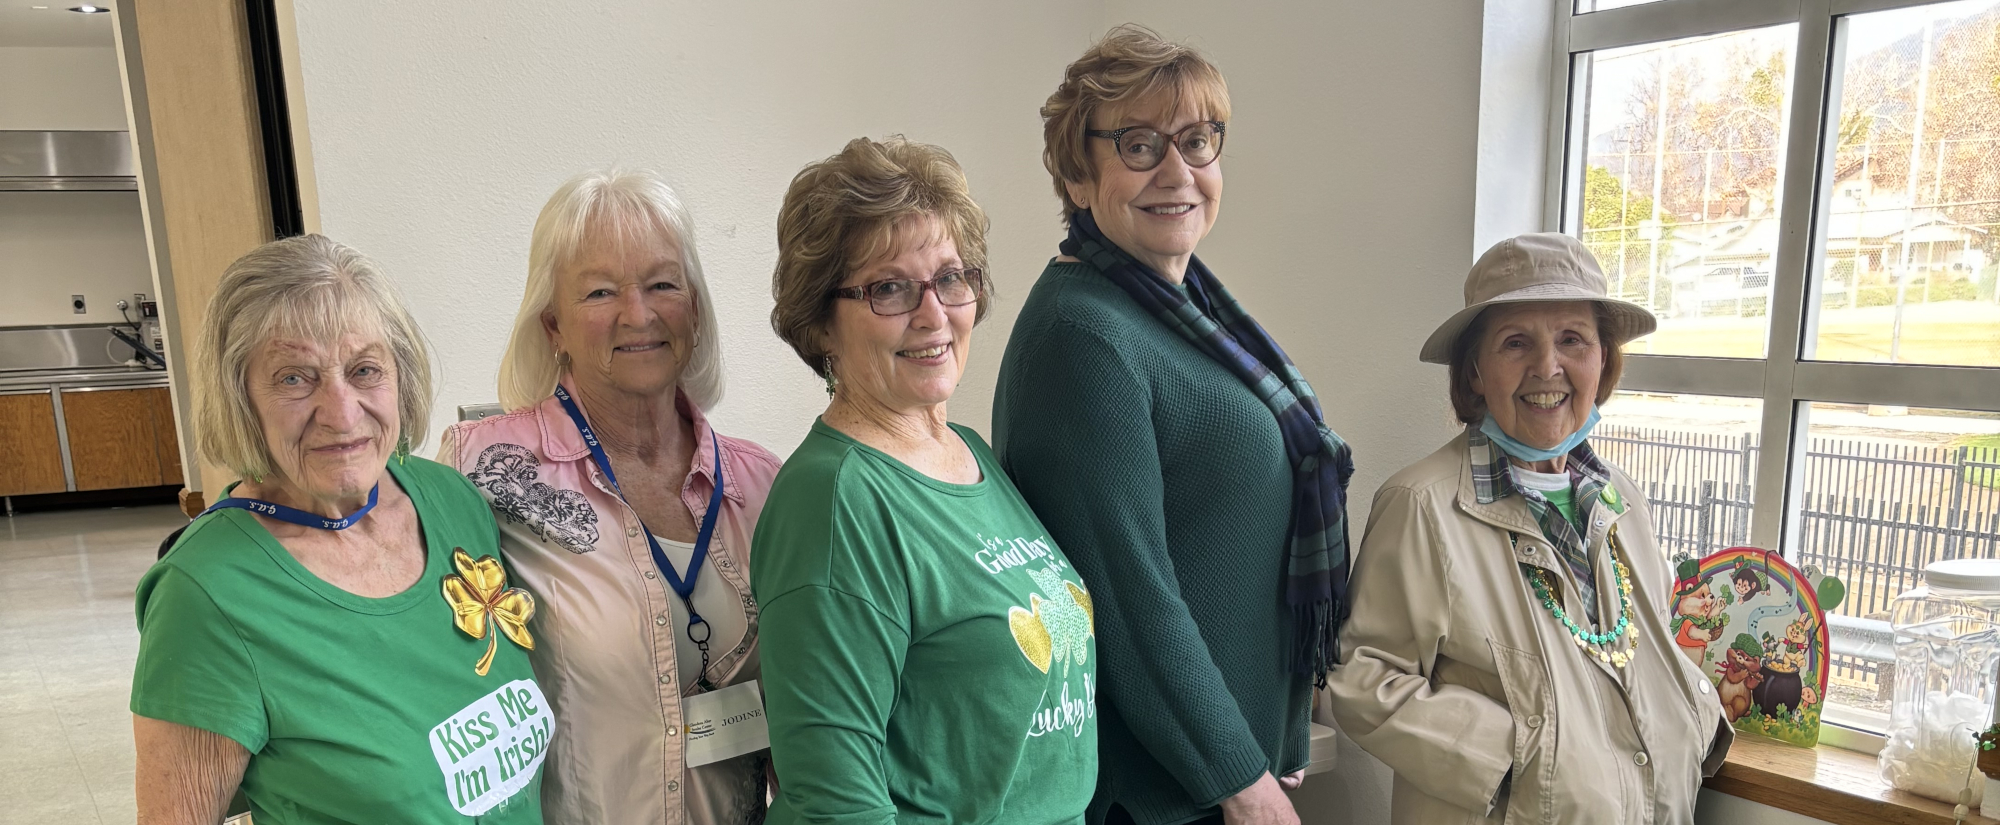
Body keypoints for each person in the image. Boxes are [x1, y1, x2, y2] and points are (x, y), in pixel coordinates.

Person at [992, 25, 1352, 825]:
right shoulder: (1086, 335)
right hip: (1156, 797)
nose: (1178, 171)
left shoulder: (1186, 309)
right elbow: (1129, 601)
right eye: (1140, 144)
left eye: (1197, 140)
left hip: (1214, 774)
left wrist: (1268, 740)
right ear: (1078, 175)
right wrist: (1240, 777)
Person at [132, 234, 549, 824]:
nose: (342, 412)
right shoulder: (205, 596)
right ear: (241, 399)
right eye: (294, 379)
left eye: (365, 370)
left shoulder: (449, 498)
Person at [1324, 233, 1732, 824]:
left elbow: (1634, 651)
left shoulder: (1623, 501)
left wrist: (1691, 717)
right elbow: (1363, 678)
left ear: (1603, 360)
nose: (1548, 367)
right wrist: (1516, 758)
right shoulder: (1423, 504)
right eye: (1516, 343)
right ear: (1474, 374)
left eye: (1573, 339)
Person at [753, 136, 1097, 825]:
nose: (934, 313)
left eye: (950, 278)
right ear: (821, 321)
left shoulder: (968, 452)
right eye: (889, 288)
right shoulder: (835, 500)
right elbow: (834, 802)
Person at [439, 168, 782, 824]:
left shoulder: (762, 485)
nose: (638, 313)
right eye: (600, 291)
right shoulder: (480, 469)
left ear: (696, 307)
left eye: (662, 284)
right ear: (553, 326)